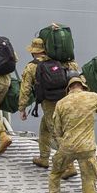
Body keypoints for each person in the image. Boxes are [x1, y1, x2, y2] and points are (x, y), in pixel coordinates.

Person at [18, 38, 76, 170]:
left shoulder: (32, 66)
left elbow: (25, 88)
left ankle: (69, 166)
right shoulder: (60, 62)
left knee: (56, 133)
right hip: (65, 99)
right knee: (45, 129)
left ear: (33, 52)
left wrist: (22, 108)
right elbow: (75, 70)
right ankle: (44, 158)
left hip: (49, 103)